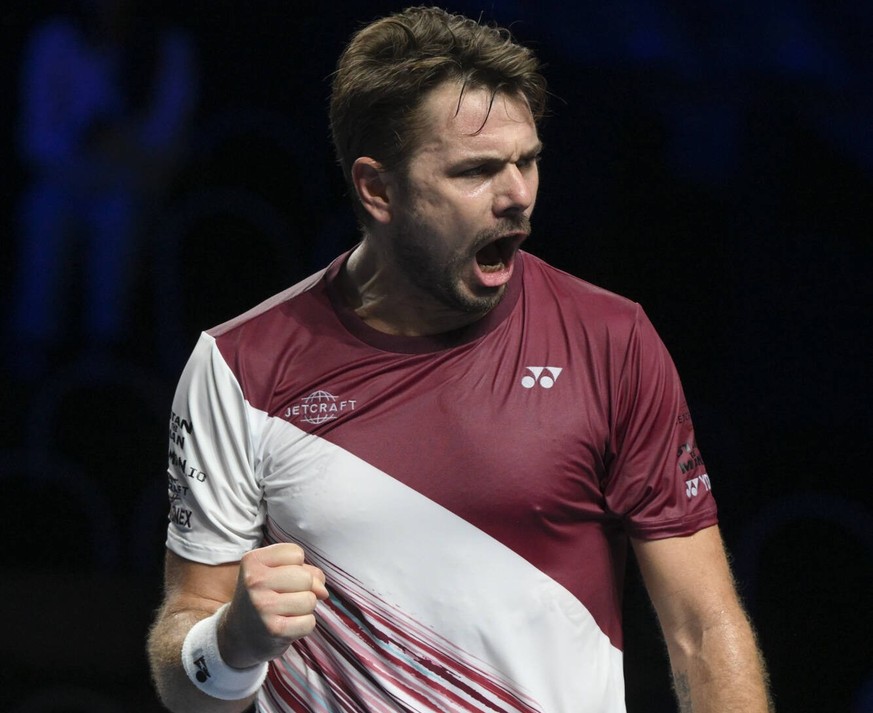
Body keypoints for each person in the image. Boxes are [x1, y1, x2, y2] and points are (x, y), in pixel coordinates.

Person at [147, 6, 772, 712]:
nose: (518, 196)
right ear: (377, 189)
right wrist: (232, 641)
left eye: (527, 160)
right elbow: (184, 683)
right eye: (476, 170)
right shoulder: (238, 368)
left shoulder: (611, 342)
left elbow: (702, 628)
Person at [7, 0, 197, 375]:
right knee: (46, 213)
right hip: (65, 179)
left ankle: (106, 350)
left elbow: (167, 141)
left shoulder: (166, 48)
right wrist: (86, 147)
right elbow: (37, 137)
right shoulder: (55, 41)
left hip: (134, 183)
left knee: (118, 215)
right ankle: (36, 346)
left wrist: (121, 148)